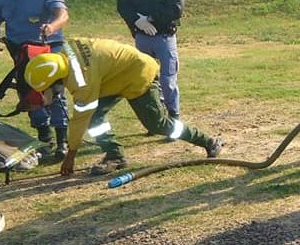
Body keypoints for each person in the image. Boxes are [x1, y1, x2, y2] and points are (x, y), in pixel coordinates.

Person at [22, 37, 224, 176]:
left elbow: (78, 120)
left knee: (157, 124)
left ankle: (208, 141)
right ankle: (115, 156)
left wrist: (70, 156)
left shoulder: (82, 81)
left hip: (138, 75)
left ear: (56, 80)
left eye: (47, 90)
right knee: (95, 119)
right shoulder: (65, 50)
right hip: (113, 77)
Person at [0, 0, 70, 159]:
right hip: (20, 51)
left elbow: (63, 14)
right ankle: (44, 138)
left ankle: (62, 141)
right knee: (28, 93)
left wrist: (52, 26)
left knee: (53, 93)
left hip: (48, 49)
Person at [117, 0, 185, 123]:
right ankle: (156, 119)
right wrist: (137, 20)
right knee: (147, 80)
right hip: (142, 38)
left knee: (167, 80)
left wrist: (151, 19)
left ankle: (173, 116)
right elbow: (123, 6)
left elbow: (176, 10)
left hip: (164, 37)